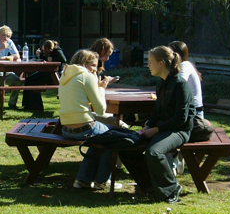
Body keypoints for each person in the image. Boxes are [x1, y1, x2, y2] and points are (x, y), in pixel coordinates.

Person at [120, 46, 195, 203]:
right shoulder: (161, 84)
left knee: (153, 153)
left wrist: (157, 129)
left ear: (161, 63)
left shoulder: (180, 84)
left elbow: (181, 118)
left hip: (179, 131)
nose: (148, 65)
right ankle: (149, 187)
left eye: (150, 61)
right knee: (125, 148)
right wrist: (148, 126)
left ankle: (172, 188)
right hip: (161, 128)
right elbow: (157, 113)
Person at [57, 49, 135, 191]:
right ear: (84, 63)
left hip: (66, 129)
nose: (95, 69)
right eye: (93, 65)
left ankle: (83, 180)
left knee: (100, 138)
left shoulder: (65, 75)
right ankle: (102, 180)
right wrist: (102, 88)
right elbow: (100, 109)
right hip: (84, 128)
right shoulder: (87, 76)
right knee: (113, 137)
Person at [21, 39, 66, 114]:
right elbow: (44, 57)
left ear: (48, 49)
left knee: (34, 81)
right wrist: (39, 54)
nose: (43, 51)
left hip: (54, 74)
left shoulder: (57, 50)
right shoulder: (48, 52)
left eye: (44, 50)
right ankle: (26, 104)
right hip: (47, 72)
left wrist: (53, 59)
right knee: (29, 79)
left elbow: (63, 59)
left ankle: (36, 106)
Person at [169, 41, 204, 119]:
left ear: (177, 54)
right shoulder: (185, 65)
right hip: (187, 111)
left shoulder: (185, 65)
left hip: (193, 115)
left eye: (170, 53)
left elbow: (179, 84)